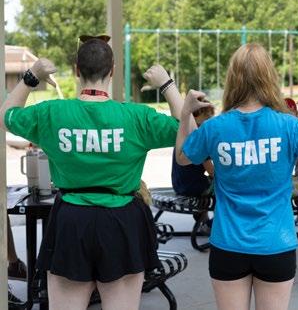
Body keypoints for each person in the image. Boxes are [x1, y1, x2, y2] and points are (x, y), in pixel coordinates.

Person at [0, 37, 183, 310]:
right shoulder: (137, 117)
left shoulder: (52, 113)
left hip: (71, 221)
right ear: (112, 71)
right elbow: (186, 131)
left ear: (76, 70)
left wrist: (32, 76)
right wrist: (167, 85)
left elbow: (6, 116)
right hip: (122, 222)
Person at [175, 42, 298, 310]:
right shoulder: (289, 125)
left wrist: (186, 113)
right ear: (269, 77)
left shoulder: (216, 127)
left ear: (233, 78)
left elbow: (182, 157)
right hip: (276, 243)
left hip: (228, 244)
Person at [171, 101, 215, 230]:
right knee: (221, 189)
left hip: (179, 184)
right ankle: (212, 224)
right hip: (193, 187)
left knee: (208, 182)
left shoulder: (184, 135)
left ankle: (202, 218)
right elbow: (211, 171)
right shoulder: (199, 138)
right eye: (205, 123)